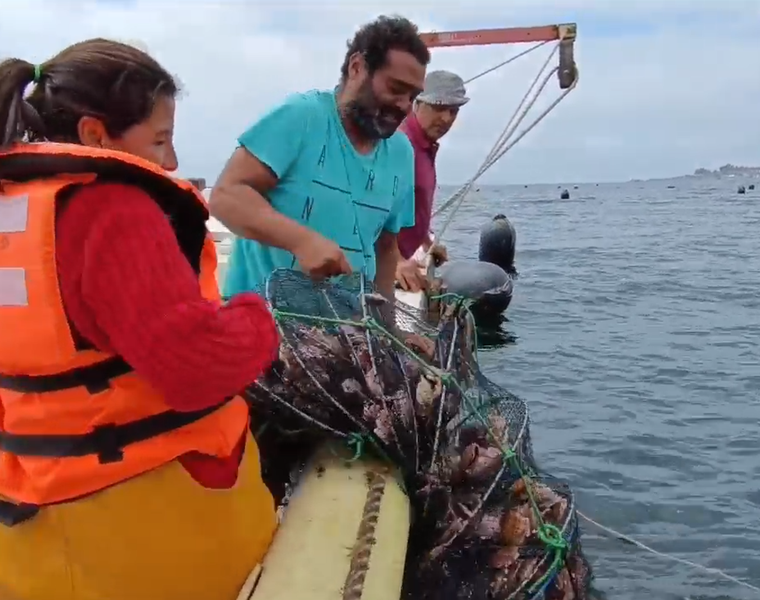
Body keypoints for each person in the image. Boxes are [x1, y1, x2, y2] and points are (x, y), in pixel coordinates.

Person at [0, 39, 279, 600]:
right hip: (140, 534)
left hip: (35, 525)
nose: (171, 164)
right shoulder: (112, 210)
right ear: (95, 135)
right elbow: (195, 367)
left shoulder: (16, 202)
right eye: (160, 140)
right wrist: (255, 318)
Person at [210, 15, 431, 305]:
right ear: (357, 67)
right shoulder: (301, 116)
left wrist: (389, 331)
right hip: (260, 324)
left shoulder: (402, 153)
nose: (404, 105)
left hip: (346, 331)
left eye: (412, 95)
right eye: (395, 88)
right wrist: (301, 240)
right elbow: (226, 196)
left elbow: (386, 248)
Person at [395, 70, 470, 292]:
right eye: (438, 107)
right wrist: (395, 261)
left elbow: (413, 202)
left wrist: (426, 242)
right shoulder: (399, 144)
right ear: (416, 102)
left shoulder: (426, 145)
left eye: (453, 110)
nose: (446, 118)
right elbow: (372, 213)